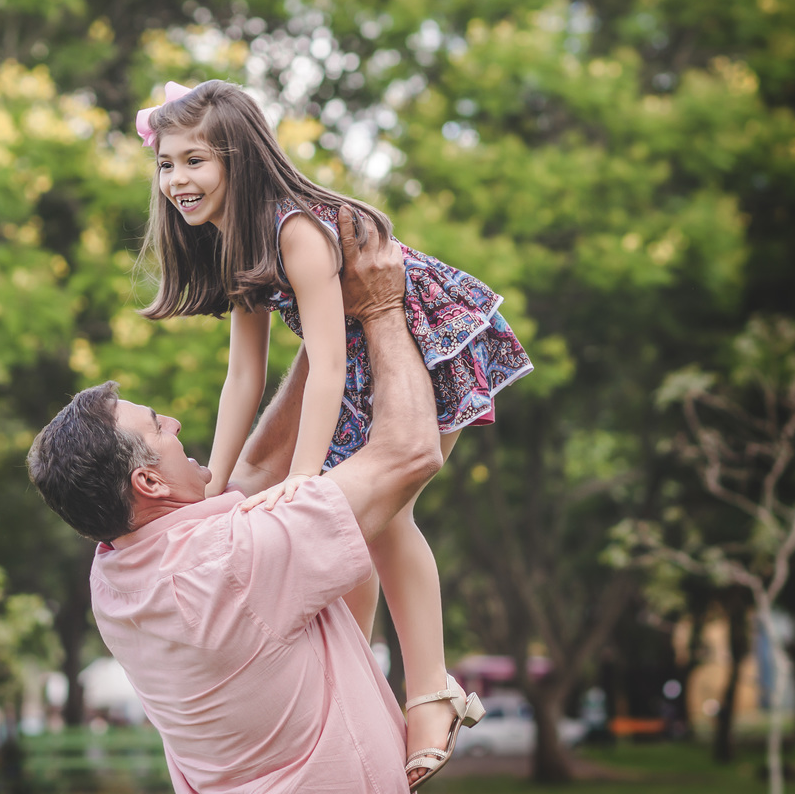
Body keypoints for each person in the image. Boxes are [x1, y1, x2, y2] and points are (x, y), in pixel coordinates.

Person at [133, 79, 532, 786]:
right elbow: (244, 376)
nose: (177, 180)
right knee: (349, 528)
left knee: (387, 515)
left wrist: (301, 480)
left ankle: (431, 689)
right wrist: (215, 488)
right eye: (166, 164)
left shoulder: (294, 230)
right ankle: (360, 679)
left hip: (420, 335)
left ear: (239, 159)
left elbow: (328, 363)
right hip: (355, 360)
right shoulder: (236, 242)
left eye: (195, 161)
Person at [28, 210, 483, 792]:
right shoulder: (231, 565)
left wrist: (329, 320)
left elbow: (263, 467)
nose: (174, 422)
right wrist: (379, 309)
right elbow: (410, 453)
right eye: (158, 427)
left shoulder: (117, 580)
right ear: (149, 484)